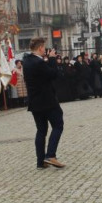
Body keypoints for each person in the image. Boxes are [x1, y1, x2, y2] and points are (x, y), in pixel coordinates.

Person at [22, 38, 65, 170]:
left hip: (34, 101)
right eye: (44, 48)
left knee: (41, 130)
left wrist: (47, 61)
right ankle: (50, 155)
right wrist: (52, 59)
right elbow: (53, 74)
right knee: (58, 125)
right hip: (47, 100)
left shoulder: (27, 61)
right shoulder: (39, 62)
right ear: (40, 48)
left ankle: (40, 161)